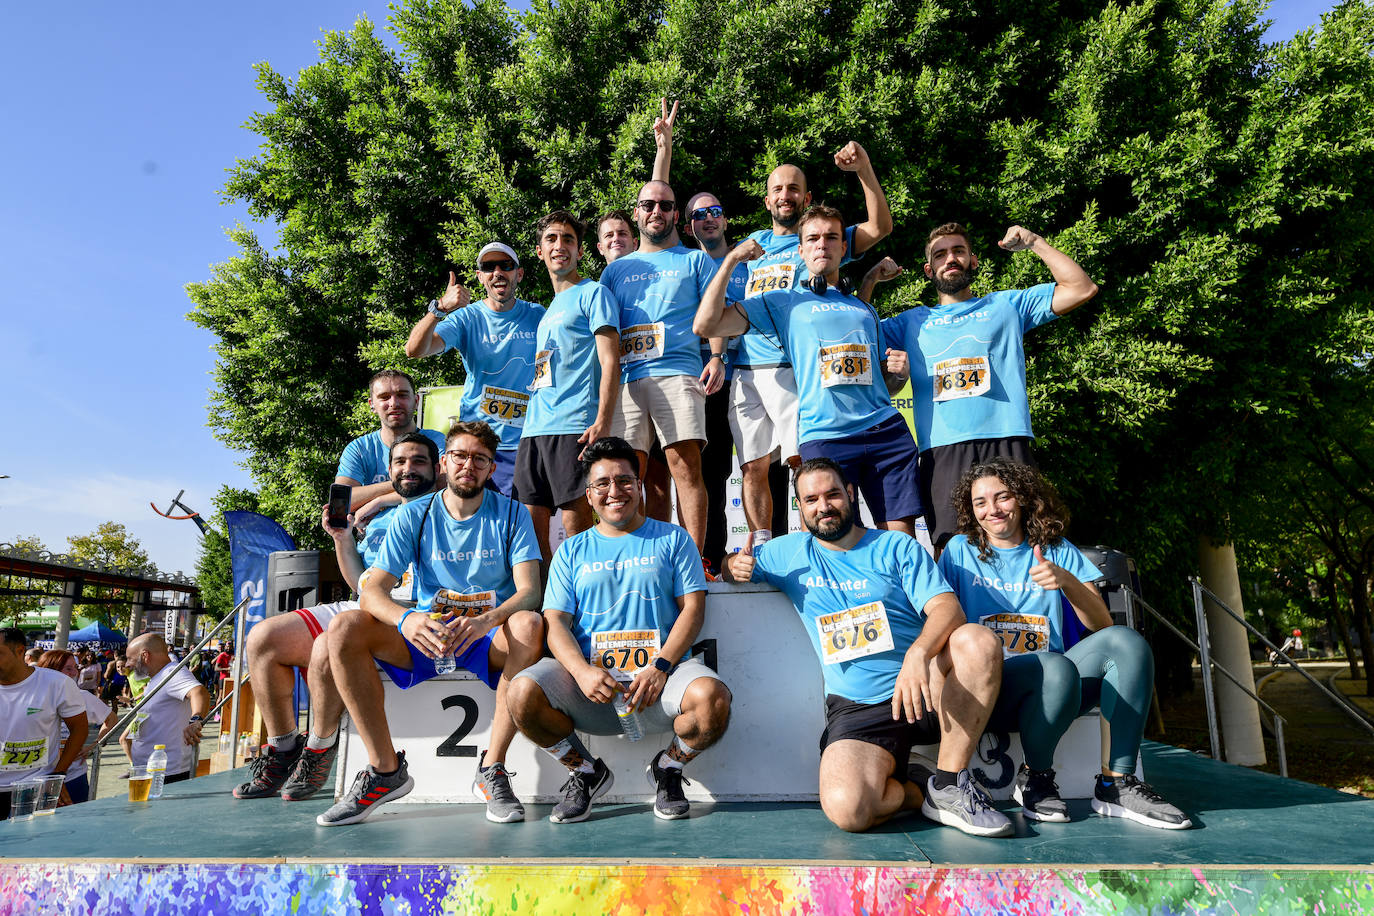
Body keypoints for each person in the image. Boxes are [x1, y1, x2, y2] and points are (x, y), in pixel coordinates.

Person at [725, 458, 1010, 836]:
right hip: (859, 707)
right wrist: (732, 566)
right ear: (800, 507)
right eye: (810, 499)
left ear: (851, 494)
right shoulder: (787, 553)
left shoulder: (895, 546)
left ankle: (949, 782)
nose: (822, 506)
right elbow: (735, 566)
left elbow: (947, 608)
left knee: (977, 641)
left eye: (832, 494)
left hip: (924, 688)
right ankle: (918, 789)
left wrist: (919, 654)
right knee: (849, 811)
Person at [938, 457, 1190, 829]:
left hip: (1059, 689)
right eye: (980, 503)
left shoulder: (1054, 547)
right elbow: (940, 620)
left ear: (1021, 498)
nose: (992, 510)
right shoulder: (959, 551)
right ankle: (1037, 779)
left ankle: (1116, 785)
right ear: (970, 510)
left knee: (1126, 643)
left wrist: (1065, 580)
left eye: (1002, 497)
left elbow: (1102, 625)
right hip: (993, 691)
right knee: (1053, 667)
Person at [319, 421, 545, 827]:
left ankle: (491, 768)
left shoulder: (512, 514)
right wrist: (406, 619)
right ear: (444, 463)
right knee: (343, 629)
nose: (468, 466)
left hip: (485, 636)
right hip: (428, 634)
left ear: (492, 469)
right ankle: (385, 771)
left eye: (480, 459)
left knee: (527, 624)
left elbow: (530, 592)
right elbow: (372, 592)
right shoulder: (413, 513)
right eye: (460, 456)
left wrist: (486, 621)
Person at [509, 437, 732, 824]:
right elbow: (556, 622)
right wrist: (581, 671)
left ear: (639, 483)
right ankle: (584, 772)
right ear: (589, 495)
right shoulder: (571, 551)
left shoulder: (673, 538)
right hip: (590, 689)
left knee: (712, 700)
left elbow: (693, 609)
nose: (615, 491)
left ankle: (669, 768)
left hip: (658, 683)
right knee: (521, 695)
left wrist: (661, 666)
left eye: (625, 480)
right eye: (603, 484)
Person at [232, 432, 440, 801]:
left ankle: (319, 747)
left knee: (330, 643)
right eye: (400, 463)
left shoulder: (444, 505)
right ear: (388, 470)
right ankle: (284, 750)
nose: (408, 469)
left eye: (418, 462)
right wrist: (342, 539)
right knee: (262, 638)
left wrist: (378, 500)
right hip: (366, 601)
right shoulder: (376, 518)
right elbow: (359, 582)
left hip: (412, 609)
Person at [696, 205, 922, 535]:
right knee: (837, 542)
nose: (822, 245)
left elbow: (883, 388)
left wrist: (898, 375)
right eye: (813, 238)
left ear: (844, 248)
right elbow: (705, 324)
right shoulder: (780, 301)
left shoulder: (864, 308)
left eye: (832, 237)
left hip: (883, 431)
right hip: (826, 436)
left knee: (901, 541)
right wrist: (730, 261)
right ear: (800, 250)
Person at [870, 222, 1099, 549]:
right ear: (928, 269)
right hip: (943, 450)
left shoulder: (1006, 306)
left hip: (1008, 440)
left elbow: (1081, 288)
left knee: (1031, 543)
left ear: (973, 261)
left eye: (958, 251)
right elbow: (858, 330)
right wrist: (870, 281)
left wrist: (1034, 241)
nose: (950, 259)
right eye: (940, 254)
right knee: (951, 549)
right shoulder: (910, 322)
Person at [729, 143, 893, 548]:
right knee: (752, 467)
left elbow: (880, 227)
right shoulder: (753, 244)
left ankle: (811, 543)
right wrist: (717, 355)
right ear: (767, 199)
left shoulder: (816, 241)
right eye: (778, 189)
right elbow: (724, 307)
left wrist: (864, 171)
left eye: (794, 188)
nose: (785, 195)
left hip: (792, 369)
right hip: (746, 367)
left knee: (802, 464)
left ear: (807, 197)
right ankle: (764, 545)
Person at [600, 177, 725, 558]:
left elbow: (714, 312)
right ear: (637, 213)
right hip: (627, 380)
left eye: (666, 206)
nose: (657, 211)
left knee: (685, 470)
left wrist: (717, 355)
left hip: (678, 372)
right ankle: (638, 557)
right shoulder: (615, 270)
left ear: (676, 215)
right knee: (631, 476)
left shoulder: (694, 258)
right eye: (649, 205)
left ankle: (694, 561)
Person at [514, 211, 622, 564]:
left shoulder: (594, 293)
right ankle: (546, 608)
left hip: (575, 425)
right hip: (533, 430)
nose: (560, 246)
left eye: (568, 240)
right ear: (539, 251)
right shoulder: (548, 311)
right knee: (530, 538)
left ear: (579, 251)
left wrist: (603, 420)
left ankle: (586, 603)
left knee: (578, 534)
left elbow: (611, 361)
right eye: (552, 239)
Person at [405, 244, 544, 497]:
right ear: (480, 276)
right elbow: (415, 350)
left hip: (526, 443)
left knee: (520, 527)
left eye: (506, 266)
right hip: (477, 444)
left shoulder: (539, 316)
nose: (498, 272)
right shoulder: (466, 318)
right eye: (489, 267)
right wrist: (439, 309)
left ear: (519, 274)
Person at [0, 629, 88, 819]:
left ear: (19, 651)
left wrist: (58, 775)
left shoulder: (56, 683)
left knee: (31, 846)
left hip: (35, 787)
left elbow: (79, 728)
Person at [335, 369, 447, 516]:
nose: (394, 403)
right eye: (384, 397)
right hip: (374, 537)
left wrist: (380, 501)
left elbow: (445, 485)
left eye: (402, 395)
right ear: (372, 404)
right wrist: (413, 481)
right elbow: (339, 503)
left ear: (416, 401)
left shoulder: (436, 441)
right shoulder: (359, 449)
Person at [123, 634, 211, 785]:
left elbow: (198, 692)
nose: (127, 664)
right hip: (150, 770)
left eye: (130, 658)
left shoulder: (172, 674)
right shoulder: (157, 677)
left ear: (145, 656)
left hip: (167, 773)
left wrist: (196, 720)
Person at [37, 650, 117, 805]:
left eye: (76, 667)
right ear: (51, 669)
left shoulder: (82, 696)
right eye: (68, 668)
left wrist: (95, 746)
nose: (75, 672)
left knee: (75, 824)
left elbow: (111, 719)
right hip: (33, 778)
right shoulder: (32, 696)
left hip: (73, 777)